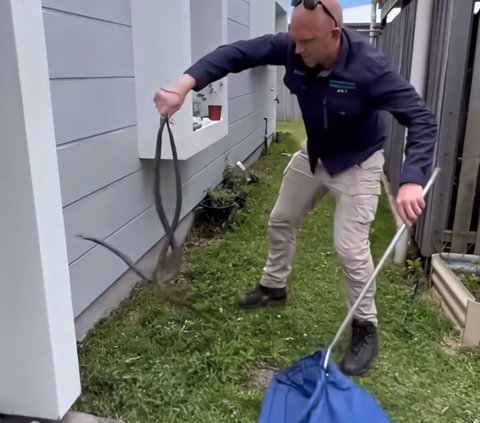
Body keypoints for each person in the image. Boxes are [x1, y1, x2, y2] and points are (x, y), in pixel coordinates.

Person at [153, 0, 437, 376]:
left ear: (334, 34)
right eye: (293, 40)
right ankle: (273, 286)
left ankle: (365, 327)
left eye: (306, 42)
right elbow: (236, 54)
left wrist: (413, 179)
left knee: (350, 250)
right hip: (315, 156)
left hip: (357, 164)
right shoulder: (294, 45)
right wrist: (183, 85)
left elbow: (421, 120)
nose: (296, 50)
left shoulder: (369, 67)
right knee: (280, 220)